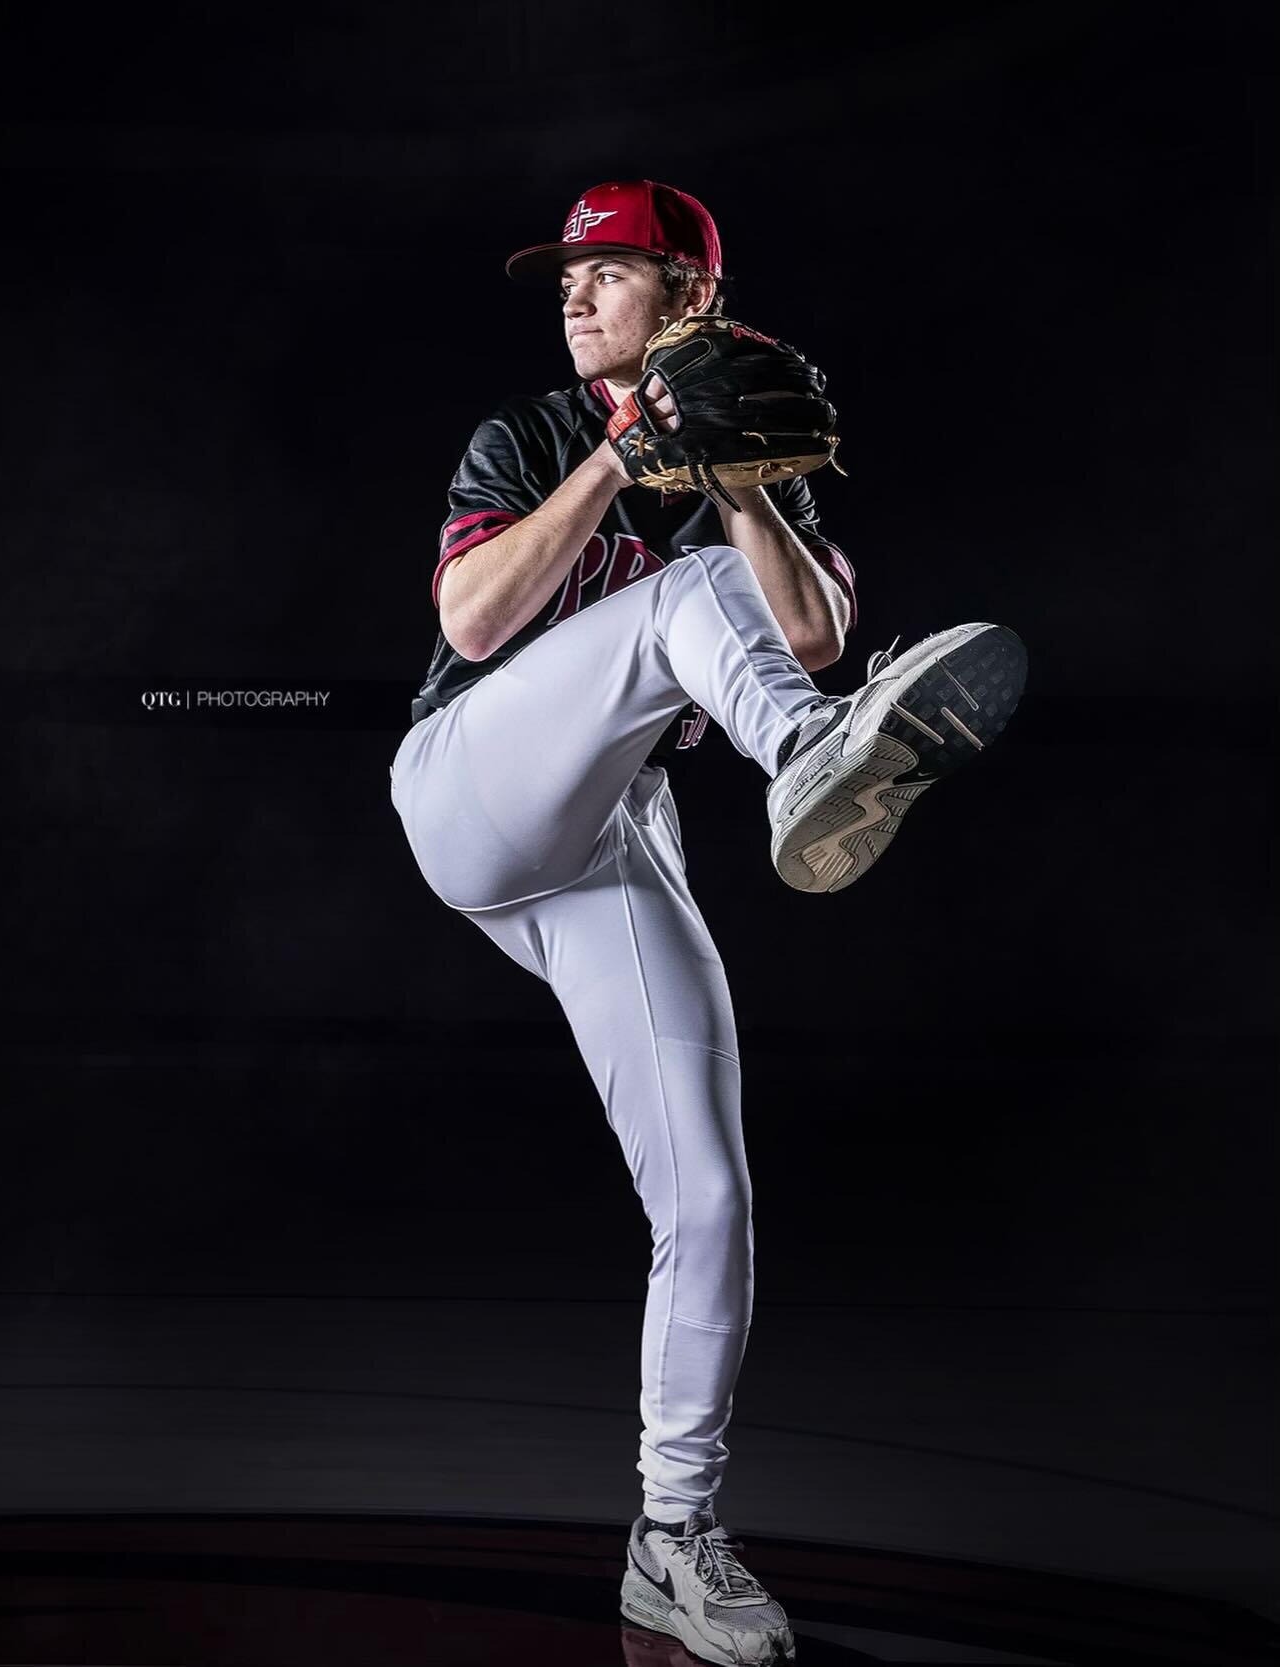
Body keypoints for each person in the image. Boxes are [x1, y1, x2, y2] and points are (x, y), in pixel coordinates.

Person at [389, 178, 1025, 1667]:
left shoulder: (745, 446)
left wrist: (735, 480)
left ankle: (670, 1538)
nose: (573, 293)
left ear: (690, 300)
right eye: (567, 274)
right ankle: (802, 757)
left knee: (711, 1198)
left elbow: (812, 633)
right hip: (472, 782)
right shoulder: (530, 431)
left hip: (617, 832)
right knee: (687, 604)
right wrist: (621, 459)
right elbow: (474, 624)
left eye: (610, 272)